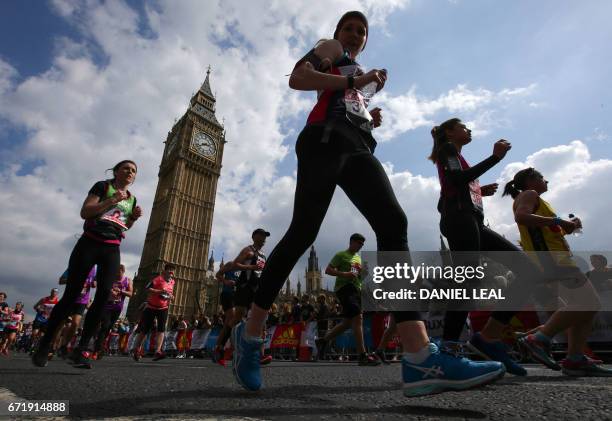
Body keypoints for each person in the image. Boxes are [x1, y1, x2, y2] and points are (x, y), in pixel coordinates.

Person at [231, 11, 505, 395]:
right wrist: (353, 80)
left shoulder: (360, 74)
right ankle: (252, 332)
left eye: (362, 31)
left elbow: (343, 99)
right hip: (322, 141)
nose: (356, 34)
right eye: (350, 28)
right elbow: (298, 78)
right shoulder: (331, 48)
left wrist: (366, 116)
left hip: (356, 145)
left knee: (394, 223)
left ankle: (419, 356)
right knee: (302, 233)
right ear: (338, 33)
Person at [429, 117, 547, 376]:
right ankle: (449, 350)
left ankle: (488, 337)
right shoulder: (447, 150)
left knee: (528, 271)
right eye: (463, 126)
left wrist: (477, 190)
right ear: (449, 132)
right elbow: (456, 182)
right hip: (460, 221)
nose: (468, 129)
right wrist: (495, 158)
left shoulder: (456, 157)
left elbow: (448, 191)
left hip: (472, 222)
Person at [32, 160, 142, 368]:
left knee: (103, 296)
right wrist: (111, 200)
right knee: (71, 295)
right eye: (126, 168)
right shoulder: (102, 186)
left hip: (112, 248)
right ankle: (45, 345)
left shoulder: (132, 199)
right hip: (90, 243)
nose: (130, 172)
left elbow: (122, 225)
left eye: (134, 170)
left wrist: (133, 219)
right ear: (116, 171)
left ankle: (81, 349)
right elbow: (86, 212)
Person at [503, 168, 611, 376]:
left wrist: (568, 227)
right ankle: (538, 339)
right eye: (543, 177)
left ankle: (574, 358)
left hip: (556, 260)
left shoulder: (541, 202)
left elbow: (547, 229)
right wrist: (558, 221)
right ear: (530, 180)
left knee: (583, 308)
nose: (547, 180)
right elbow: (522, 216)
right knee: (590, 303)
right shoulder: (529, 195)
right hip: (554, 261)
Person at [316, 234, 379, 365]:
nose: (361, 246)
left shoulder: (358, 258)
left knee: (349, 322)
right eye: (359, 243)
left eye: (362, 245)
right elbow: (328, 270)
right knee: (358, 317)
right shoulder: (341, 255)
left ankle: (323, 340)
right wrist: (344, 274)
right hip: (344, 288)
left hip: (356, 290)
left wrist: (364, 274)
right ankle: (362, 355)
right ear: (351, 242)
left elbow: (359, 277)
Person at [222, 229, 272, 365]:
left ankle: (260, 355)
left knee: (260, 320)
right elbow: (235, 264)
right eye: (262, 236)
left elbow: (262, 273)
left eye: (265, 237)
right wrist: (251, 267)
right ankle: (221, 346)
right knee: (238, 318)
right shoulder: (248, 250)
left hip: (256, 290)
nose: (264, 239)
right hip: (244, 287)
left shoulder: (263, 256)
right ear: (255, 237)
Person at [132, 263, 176, 362]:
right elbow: (147, 288)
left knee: (161, 329)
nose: (171, 272)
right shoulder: (157, 279)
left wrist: (171, 297)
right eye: (169, 270)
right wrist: (158, 292)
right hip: (151, 307)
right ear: (164, 271)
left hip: (163, 308)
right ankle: (136, 349)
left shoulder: (172, 282)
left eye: (172, 270)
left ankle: (158, 351)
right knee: (145, 330)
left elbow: (170, 293)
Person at [56, 266, 97, 359]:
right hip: (69, 299)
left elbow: (95, 284)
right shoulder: (75, 265)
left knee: (75, 324)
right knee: (62, 325)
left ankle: (64, 346)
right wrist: (74, 281)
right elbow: (61, 281)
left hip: (82, 301)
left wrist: (94, 283)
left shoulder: (95, 270)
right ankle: (52, 346)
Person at [93, 264, 132, 360]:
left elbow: (130, 293)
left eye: (118, 272)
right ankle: (97, 350)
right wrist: (110, 290)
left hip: (117, 308)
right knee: (105, 325)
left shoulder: (128, 280)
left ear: (122, 271)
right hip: (106, 306)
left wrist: (121, 291)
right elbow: (101, 286)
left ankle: (100, 345)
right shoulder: (110, 278)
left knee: (108, 328)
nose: (116, 274)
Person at [212, 260, 238, 365]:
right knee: (232, 318)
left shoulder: (246, 269)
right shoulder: (231, 264)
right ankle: (224, 350)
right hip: (227, 294)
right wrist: (225, 281)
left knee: (230, 322)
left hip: (237, 296)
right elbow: (218, 274)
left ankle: (219, 349)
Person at [31, 288, 60, 352]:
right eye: (53, 291)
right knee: (34, 333)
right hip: (39, 318)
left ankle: (36, 346)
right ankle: (32, 344)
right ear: (51, 292)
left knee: (41, 335)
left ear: (57, 294)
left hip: (47, 320)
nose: (54, 293)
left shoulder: (57, 302)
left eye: (55, 292)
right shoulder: (44, 299)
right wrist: (39, 310)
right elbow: (35, 306)